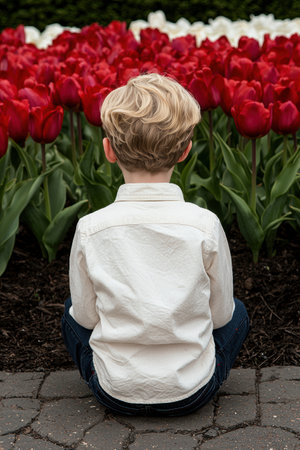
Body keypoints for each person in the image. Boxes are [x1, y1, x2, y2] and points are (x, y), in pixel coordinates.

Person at [61, 73, 249, 416]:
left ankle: (122, 375)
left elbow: (86, 319)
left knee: (69, 314)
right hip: (192, 391)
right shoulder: (204, 225)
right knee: (240, 313)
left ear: (108, 151)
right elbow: (221, 315)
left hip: (114, 392)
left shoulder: (90, 228)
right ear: (185, 151)